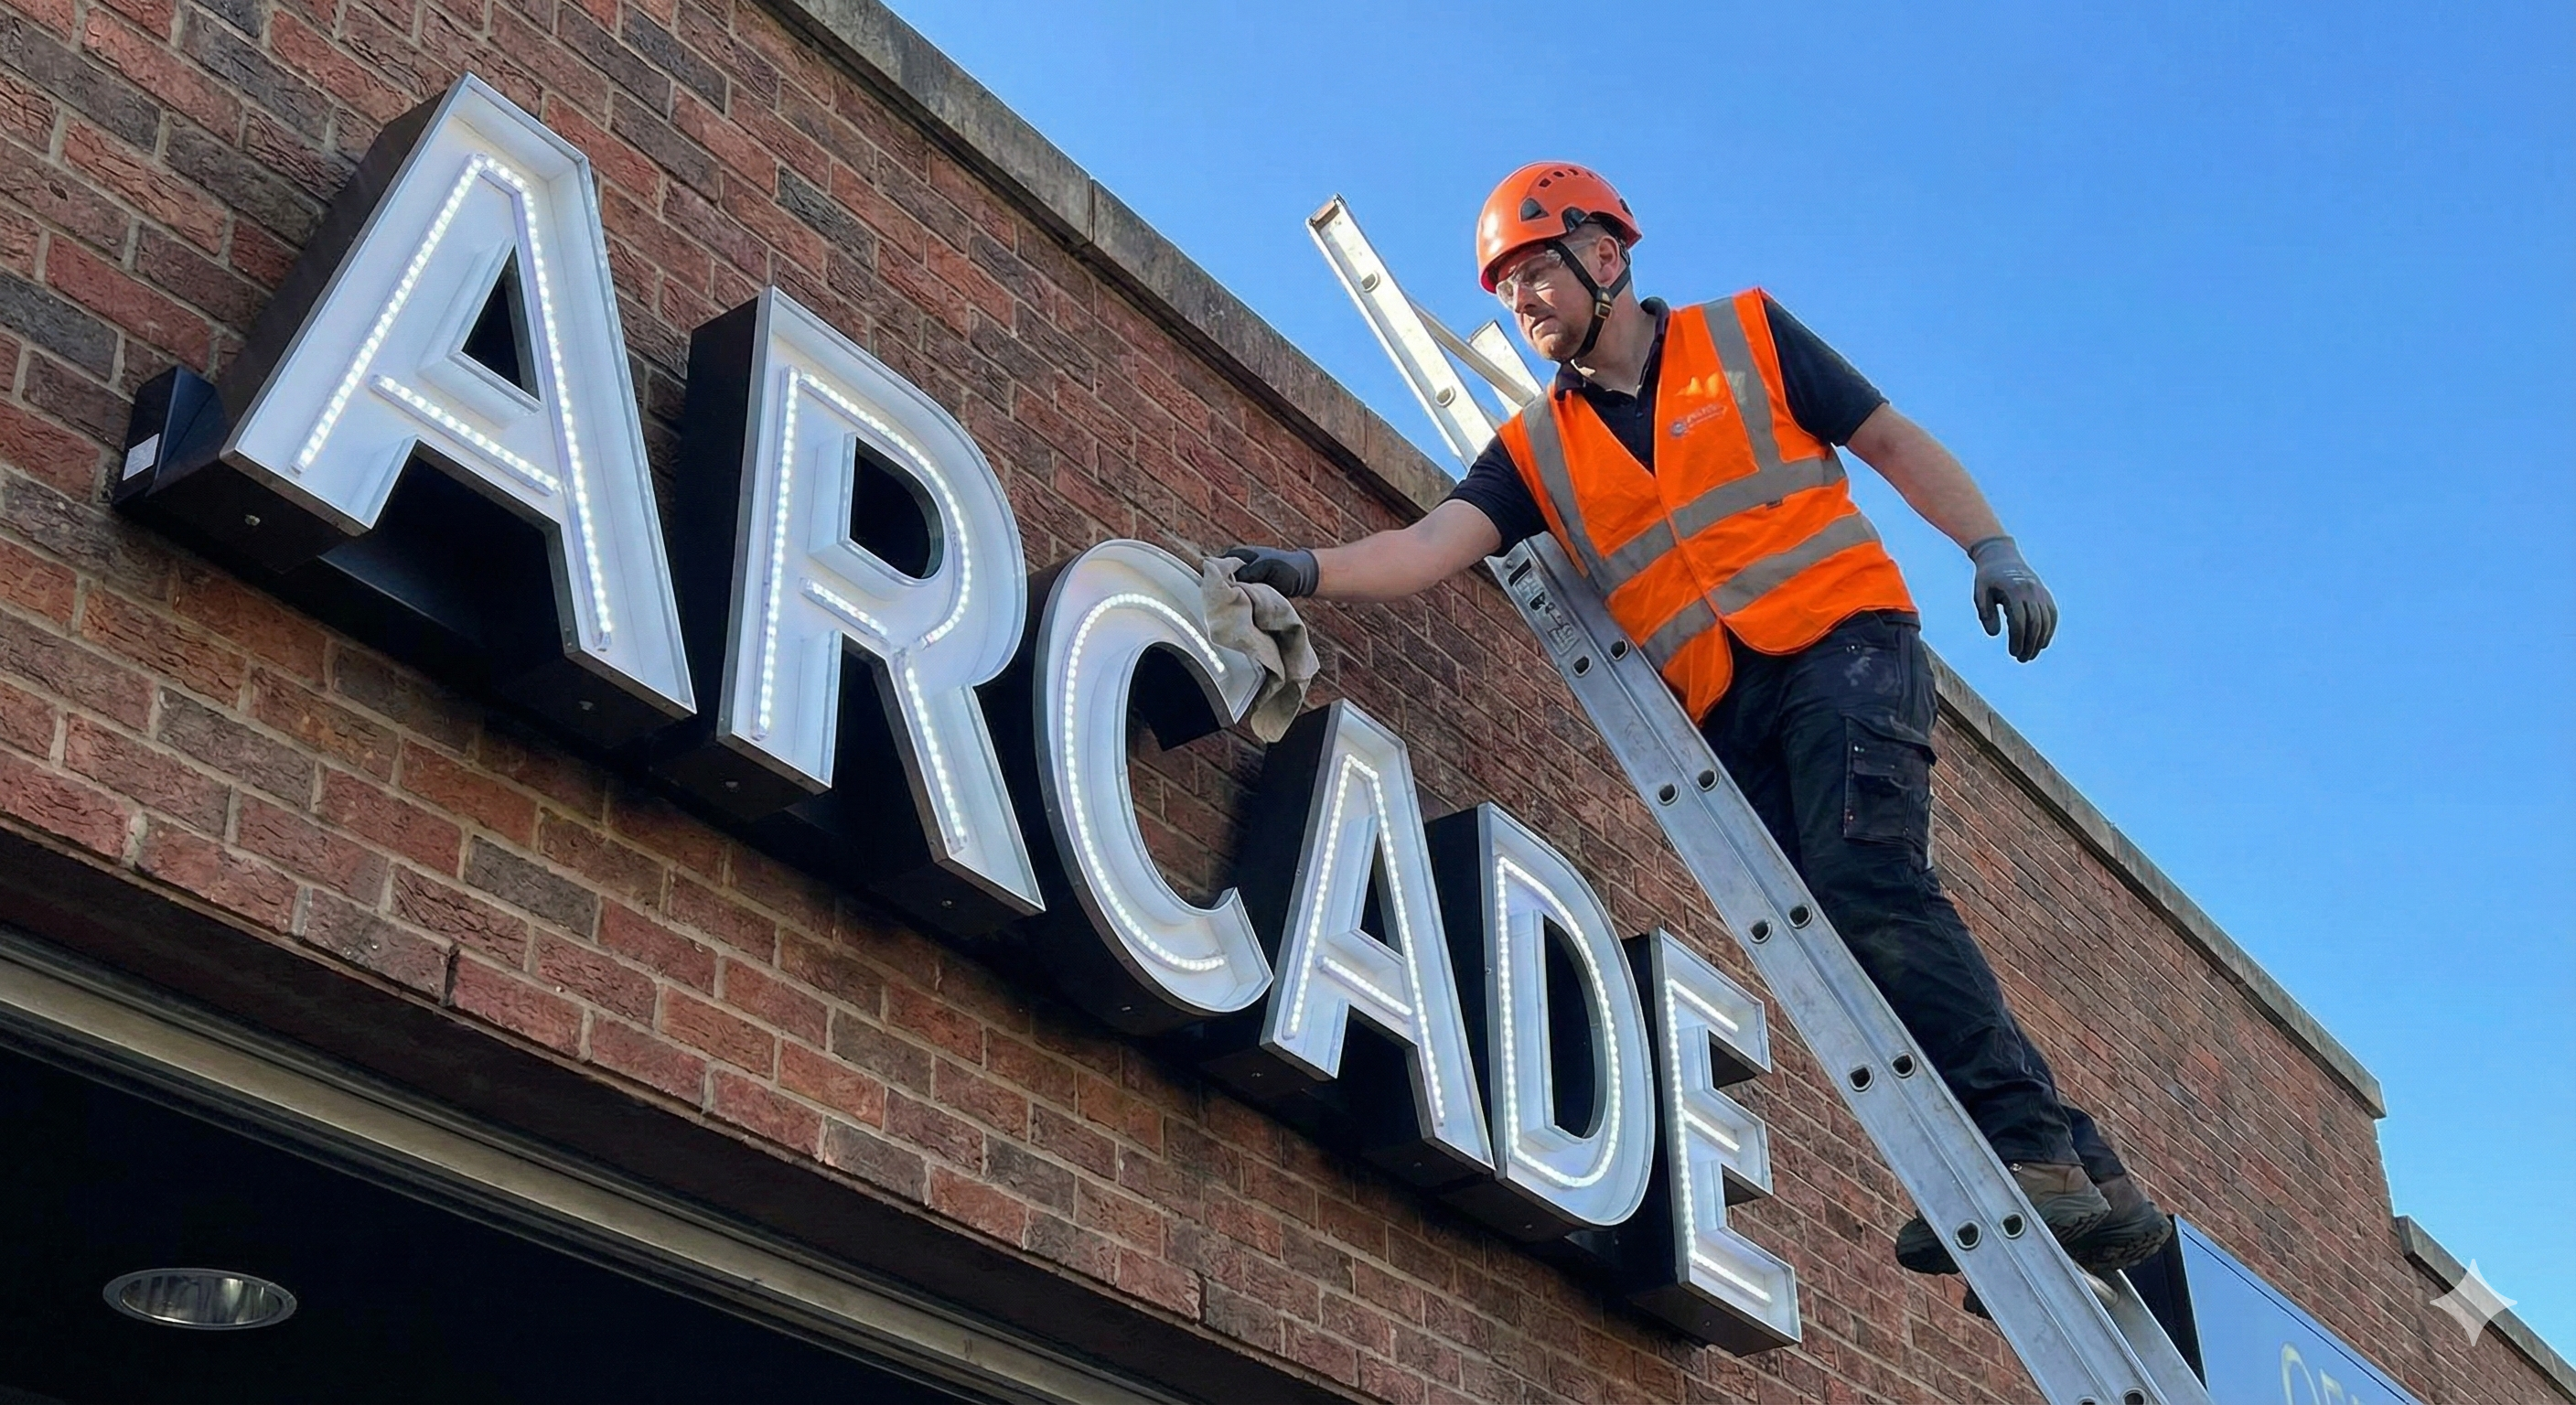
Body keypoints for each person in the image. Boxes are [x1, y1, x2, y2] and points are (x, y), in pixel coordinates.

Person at [1225, 163, 2171, 1282]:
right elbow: (1430, 547)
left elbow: (1891, 443)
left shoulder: (1750, 336)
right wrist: (1307, 571)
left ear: (1604, 256)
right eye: (1504, 292)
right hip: (1729, 703)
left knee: (1867, 881)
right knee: (1850, 941)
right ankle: (2083, 1167)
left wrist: (1988, 545)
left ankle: (2027, 1156)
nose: (1519, 304)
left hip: (1844, 649)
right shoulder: (1534, 449)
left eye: (1534, 273)